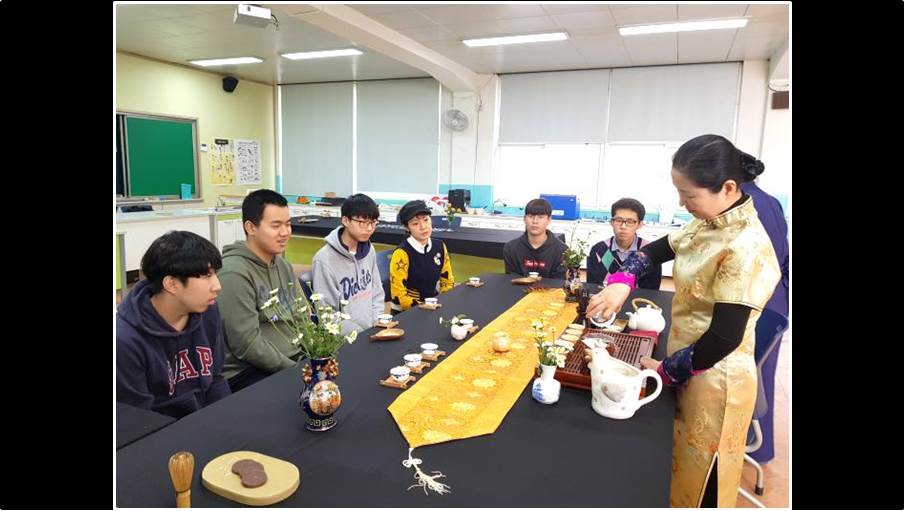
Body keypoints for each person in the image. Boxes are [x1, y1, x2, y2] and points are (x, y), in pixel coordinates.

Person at [585, 134, 781, 507]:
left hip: (715, 379)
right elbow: (658, 250)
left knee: (702, 480)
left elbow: (723, 339)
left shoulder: (745, 246)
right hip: (687, 360)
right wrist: (622, 284)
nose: (681, 202)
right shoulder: (709, 221)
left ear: (726, 188)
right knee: (673, 472)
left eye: (689, 195)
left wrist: (663, 373)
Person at [117, 231, 231, 419]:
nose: (217, 285)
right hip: (158, 433)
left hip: (205, 420)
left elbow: (216, 379)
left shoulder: (208, 310)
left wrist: (229, 419)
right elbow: (138, 418)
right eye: (206, 276)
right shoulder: (124, 341)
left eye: (215, 275)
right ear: (171, 284)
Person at [217, 189, 304, 392]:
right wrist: (294, 370)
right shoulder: (233, 274)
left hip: (292, 359)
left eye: (288, 224)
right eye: (276, 225)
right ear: (250, 227)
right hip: (248, 371)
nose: (285, 232)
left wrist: (315, 353)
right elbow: (246, 345)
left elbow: (302, 316)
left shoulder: (282, 265)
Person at [740, 179, 790, 464]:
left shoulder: (747, 204)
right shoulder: (770, 200)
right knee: (761, 374)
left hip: (756, 301)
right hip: (775, 301)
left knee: (749, 375)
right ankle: (760, 446)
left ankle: (746, 443)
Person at [311, 193, 385, 333]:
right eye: (362, 222)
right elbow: (327, 314)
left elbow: (377, 292)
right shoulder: (324, 260)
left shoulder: (369, 250)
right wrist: (359, 334)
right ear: (345, 220)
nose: (369, 229)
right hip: (346, 338)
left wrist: (377, 322)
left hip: (373, 331)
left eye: (373, 222)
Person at [389, 200, 454, 311]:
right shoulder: (402, 253)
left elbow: (447, 280)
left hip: (433, 305)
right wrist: (424, 307)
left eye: (426, 220)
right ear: (406, 227)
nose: (423, 227)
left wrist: (444, 301)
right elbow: (399, 294)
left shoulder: (440, 246)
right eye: (415, 223)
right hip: (406, 311)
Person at [586, 197, 663, 290]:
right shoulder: (598, 250)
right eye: (618, 220)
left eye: (630, 222)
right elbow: (593, 286)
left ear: (640, 224)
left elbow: (651, 291)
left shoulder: (649, 252)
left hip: (637, 302)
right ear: (611, 222)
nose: (623, 226)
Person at [502, 198, 567, 278]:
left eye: (540, 217)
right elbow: (511, 280)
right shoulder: (510, 248)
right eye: (530, 216)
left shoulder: (562, 250)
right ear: (524, 219)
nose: (535, 221)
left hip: (550, 290)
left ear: (549, 220)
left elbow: (559, 283)